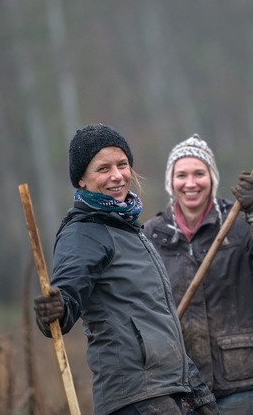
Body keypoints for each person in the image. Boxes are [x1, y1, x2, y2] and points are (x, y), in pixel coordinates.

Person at [33, 124, 219, 415]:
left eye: (122, 164)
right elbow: (63, 309)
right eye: (103, 168)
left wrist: (194, 386)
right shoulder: (84, 233)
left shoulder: (130, 229)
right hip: (134, 397)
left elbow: (155, 318)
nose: (117, 175)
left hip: (167, 389)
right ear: (81, 178)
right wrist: (54, 307)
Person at [143, 134, 253, 414]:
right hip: (181, 389)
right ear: (171, 181)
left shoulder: (238, 221)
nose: (190, 183)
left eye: (199, 173)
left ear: (212, 178)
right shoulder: (152, 235)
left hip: (241, 385)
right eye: (182, 175)